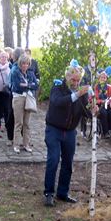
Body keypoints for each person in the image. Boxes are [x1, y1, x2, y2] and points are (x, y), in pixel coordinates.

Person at [43, 64, 96, 207]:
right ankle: (48, 193)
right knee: (53, 159)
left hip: (70, 132)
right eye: (73, 80)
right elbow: (57, 102)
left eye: (78, 80)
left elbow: (86, 111)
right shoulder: (58, 87)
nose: (76, 83)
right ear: (67, 78)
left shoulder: (81, 92)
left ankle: (62, 192)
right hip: (54, 129)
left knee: (68, 163)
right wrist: (77, 95)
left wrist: (94, 110)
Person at [10, 53, 38, 153]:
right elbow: (17, 86)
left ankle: (26, 144)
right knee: (19, 123)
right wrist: (29, 85)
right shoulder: (15, 72)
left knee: (27, 123)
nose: (25, 66)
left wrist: (26, 85)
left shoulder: (30, 73)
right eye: (23, 64)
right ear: (20, 63)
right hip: (18, 98)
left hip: (28, 98)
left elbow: (36, 85)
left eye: (27, 63)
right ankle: (16, 145)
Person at [94, 69, 111, 141]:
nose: (103, 79)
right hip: (100, 105)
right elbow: (95, 99)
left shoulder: (109, 87)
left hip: (108, 105)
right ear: (99, 79)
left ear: (106, 79)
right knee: (104, 113)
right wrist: (102, 101)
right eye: (101, 77)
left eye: (104, 77)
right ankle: (106, 132)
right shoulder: (96, 87)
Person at [80, 52, 96, 138]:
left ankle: (95, 131)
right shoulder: (85, 70)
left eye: (94, 59)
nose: (93, 60)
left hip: (94, 93)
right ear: (89, 60)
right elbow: (82, 84)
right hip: (86, 92)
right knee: (85, 106)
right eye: (91, 58)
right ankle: (83, 130)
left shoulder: (97, 70)